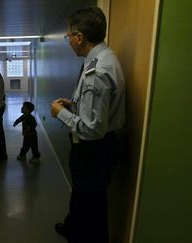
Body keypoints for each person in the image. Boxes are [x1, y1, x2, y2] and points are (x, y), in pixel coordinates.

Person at [50, 6, 125, 243]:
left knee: (93, 210)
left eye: (68, 36)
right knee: (83, 199)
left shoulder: (97, 70)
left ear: (80, 37)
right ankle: (73, 228)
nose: (68, 41)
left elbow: (92, 129)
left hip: (93, 150)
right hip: (98, 148)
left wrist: (60, 113)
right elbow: (98, 106)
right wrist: (74, 104)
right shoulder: (105, 57)